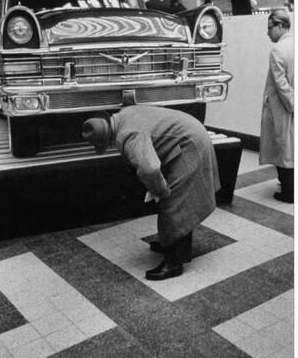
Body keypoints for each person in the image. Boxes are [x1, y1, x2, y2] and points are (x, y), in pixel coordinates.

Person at [82, 106, 221, 280]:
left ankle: (174, 262)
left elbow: (149, 169)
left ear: (108, 138)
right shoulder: (123, 115)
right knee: (179, 201)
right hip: (191, 135)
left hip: (190, 144)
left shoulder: (127, 135)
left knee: (175, 204)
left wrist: (160, 191)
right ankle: (170, 243)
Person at [259, 8, 294, 203]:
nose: (268, 32)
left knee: (283, 148)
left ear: (280, 26)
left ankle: (288, 192)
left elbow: (281, 85)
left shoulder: (278, 50)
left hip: (283, 108)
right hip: (293, 106)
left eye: (270, 28)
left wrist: (293, 105)